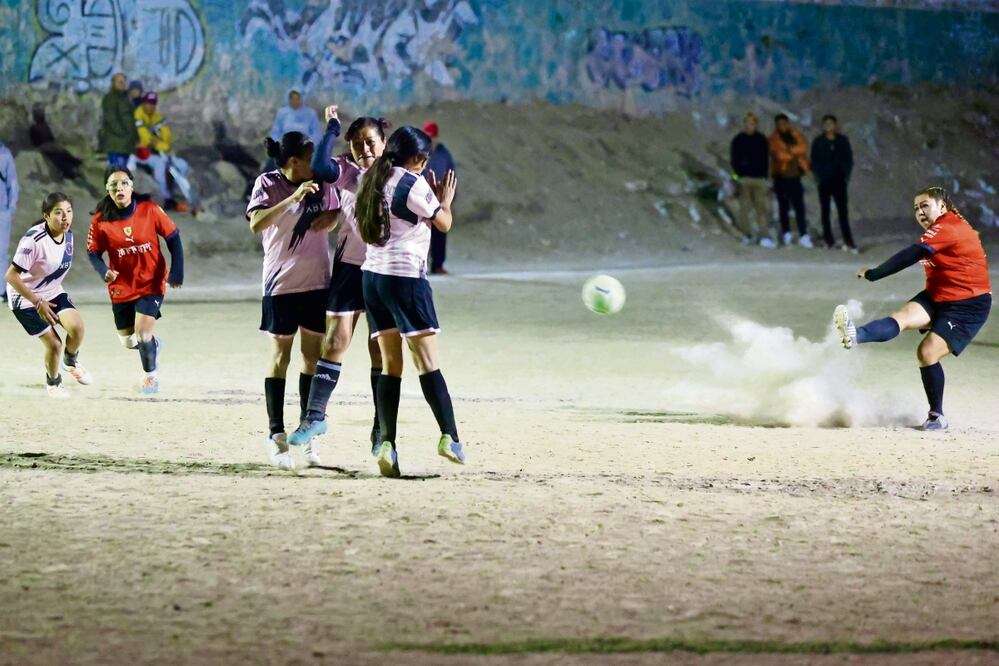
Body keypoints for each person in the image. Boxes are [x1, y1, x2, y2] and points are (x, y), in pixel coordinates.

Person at [355, 125, 464, 478]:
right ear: (417, 157)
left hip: (373, 278)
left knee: (391, 366)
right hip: (405, 278)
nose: (426, 164)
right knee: (428, 362)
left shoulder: (371, 178)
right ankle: (450, 437)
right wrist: (444, 200)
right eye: (424, 158)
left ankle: (387, 443)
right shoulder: (411, 183)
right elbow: (443, 223)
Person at [834, 187, 991, 431]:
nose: (919, 212)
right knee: (902, 318)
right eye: (916, 208)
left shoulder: (949, 226)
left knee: (927, 352)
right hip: (938, 295)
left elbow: (913, 253)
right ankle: (855, 335)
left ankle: (937, 416)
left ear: (942, 207)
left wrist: (874, 274)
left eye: (925, 205)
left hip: (967, 305)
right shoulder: (939, 229)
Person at [247, 107, 342, 470]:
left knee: (311, 360)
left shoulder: (323, 183)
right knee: (279, 359)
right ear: (292, 162)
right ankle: (276, 435)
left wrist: (333, 216)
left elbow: (339, 212)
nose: (316, 165)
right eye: (309, 160)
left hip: (317, 284)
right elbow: (256, 223)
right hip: (280, 286)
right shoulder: (267, 183)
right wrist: (293, 198)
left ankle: (307, 433)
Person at [289, 116, 389, 454]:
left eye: (370, 141)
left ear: (384, 142)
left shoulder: (395, 174)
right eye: (357, 143)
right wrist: (331, 129)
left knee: (380, 350)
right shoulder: (346, 170)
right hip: (349, 267)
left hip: (385, 269)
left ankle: (381, 427)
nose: (364, 148)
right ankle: (315, 416)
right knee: (334, 342)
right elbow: (320, 165)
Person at [86, 167, 184, 394]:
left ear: (131, 187)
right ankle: (153, 346)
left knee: (142, 333)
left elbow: (173, 238)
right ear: (107, 190)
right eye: (113, 185)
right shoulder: (100, 220)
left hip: (151, 282)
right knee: (128, 341)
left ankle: (150, 378)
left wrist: (177, 272)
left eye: (124, 183)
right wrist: (103, 271)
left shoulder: (149, 209)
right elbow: (93, 252)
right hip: (121, 286)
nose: (119, 188)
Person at [5, 192, 93, 397]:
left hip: (51, 292)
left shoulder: (68, 236)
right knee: (54, 345)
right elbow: (10, 276)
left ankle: (70, 361)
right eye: (58, 212)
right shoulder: (33, 240)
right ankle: (53, 383)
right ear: (46, 216)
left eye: (69, 211)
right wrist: (38, 302)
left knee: (77, 328)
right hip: (24, 298)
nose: (65, 217)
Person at [133, 92, 194, 211]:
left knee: (182, 165)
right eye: (148, 103)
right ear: (143, 103)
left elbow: (168, 138)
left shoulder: (157, 117)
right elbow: (146, 139)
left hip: (159, 152)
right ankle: (166, 198)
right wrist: (159, 143)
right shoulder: (138, 115)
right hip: (141, 153)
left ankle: (177, 192)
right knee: (160, 165)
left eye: (153, 104)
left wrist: (160, 143)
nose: (150, 106)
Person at [811, 114, 856, 252]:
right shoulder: (818, 142)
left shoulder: (842, 141)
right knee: (825, 211)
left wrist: (845, 175)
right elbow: (814, 160)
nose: (828, 126)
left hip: (839, 180)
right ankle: (828, 240)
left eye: (831, 124)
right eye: (826, 124)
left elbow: (848, 159)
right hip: (824, 181)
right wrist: (819, 176)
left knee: (843, 211)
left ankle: (848, 240)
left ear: (835, 125)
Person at [729, 112, 774, 248]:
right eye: (748, 123)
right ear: (744, 124)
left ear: (756, 124)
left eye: (752, 123)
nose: (750, 125)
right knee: (745, 209)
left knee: (762, 209)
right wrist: (737, 178)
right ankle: (747, 235)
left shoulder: (761, 139)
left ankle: (764, 236)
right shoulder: (738, 140)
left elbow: (766, 159)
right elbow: (734, 161)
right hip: (744, 179)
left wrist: (766, 177)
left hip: (760, 179)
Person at [768, 113, 812, 248]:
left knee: (799, 207)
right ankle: (786, 233)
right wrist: (794, 152)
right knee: (783, 207)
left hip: (795, 177)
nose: (782, 126)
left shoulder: (796, 134)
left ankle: (803, 235)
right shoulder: (773, 138)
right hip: (781, 177)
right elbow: (780, 155)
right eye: (779, 124)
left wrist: (788, 150)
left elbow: (804, 147)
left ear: (788, 124)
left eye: (784, 123)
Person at [422, 120, 456, 273]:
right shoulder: (419, 153)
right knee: (420, 232)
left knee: (440, 232)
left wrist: (451, 197)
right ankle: (420, 264)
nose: (430, 140)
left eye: (432, 137)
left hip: (439, 199)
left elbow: (452, 174)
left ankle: (438, 265)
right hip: (421, 198)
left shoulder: (444, 155)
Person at [29, 103, 84, 181]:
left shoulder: (45, 126)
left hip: (49, 144)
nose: (42, 116)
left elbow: (51, 138)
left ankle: (73, 163)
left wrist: (55, 144)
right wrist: (46, 145)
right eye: (40, 114)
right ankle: (68, 170)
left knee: (60, 150)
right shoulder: (33, 128)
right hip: (43, 146)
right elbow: (35, 142)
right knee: (56, 155)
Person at [99, 73, 138, 170]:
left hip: (126, 145)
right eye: (120, 81)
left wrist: (133, 137)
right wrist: (124, 133)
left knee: (123, 172)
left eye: (124, 81)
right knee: (118, 172)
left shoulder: (125, 98)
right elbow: (112, 120)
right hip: (116, 144)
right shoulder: (110, 98)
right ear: (113, 83)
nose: (123, 83)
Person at [0, 139, 18, 301]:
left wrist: (11, 208)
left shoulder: (4, 154)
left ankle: (1, 289)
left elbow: (12, 182)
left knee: (1, 252)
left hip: (2, 210)